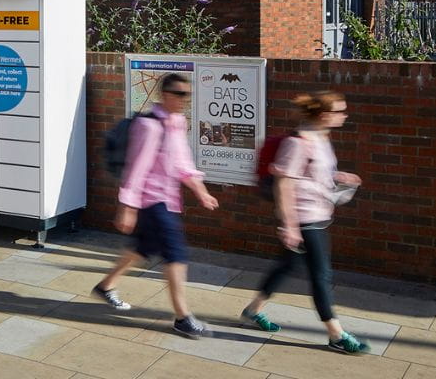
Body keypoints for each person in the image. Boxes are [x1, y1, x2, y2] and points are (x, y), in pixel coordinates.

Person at [240, 91, 370, 355]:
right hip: (305, 220)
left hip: (319, 215)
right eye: (339, 111)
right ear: (324, 115)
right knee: (321, 276)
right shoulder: (299, 143)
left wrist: (338, 175)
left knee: (286, 267)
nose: (344, 115)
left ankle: (252, 311)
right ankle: (336, 334)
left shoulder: (321, 138)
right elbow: (284, 183)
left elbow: (312, 174)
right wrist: (289, 226)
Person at [92, 73, 219, 339]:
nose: (184, 99)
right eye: (179, 94)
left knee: (142, 248)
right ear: (165, 94)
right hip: (151, 200)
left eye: (187, 94)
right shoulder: (149, 126)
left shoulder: (177, 122)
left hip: (168, 199)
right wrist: (126, 206)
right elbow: (136, 168)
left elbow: (183, 163)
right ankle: (183, 318)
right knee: (176, 254)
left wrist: (201, 191)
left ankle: (106, 286)